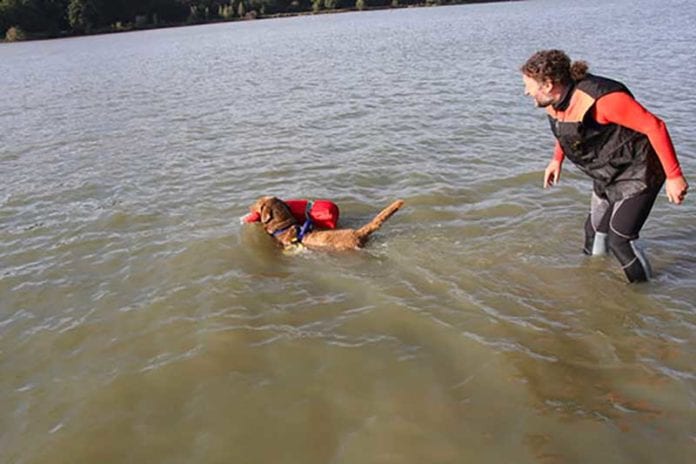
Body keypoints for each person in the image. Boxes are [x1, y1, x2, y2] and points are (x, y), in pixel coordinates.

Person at [520, 49, 688, 283]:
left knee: (620, 239)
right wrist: (557, 160)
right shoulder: (553, 101)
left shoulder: (602, 101)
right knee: (594, 230)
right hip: (607, 171)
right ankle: (593, 283)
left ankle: (642, 293)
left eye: (528, 85)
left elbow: (655, 126)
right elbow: (564, 129)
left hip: (640, 169)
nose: (526, 91)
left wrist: (674, 176)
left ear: (548, 84)